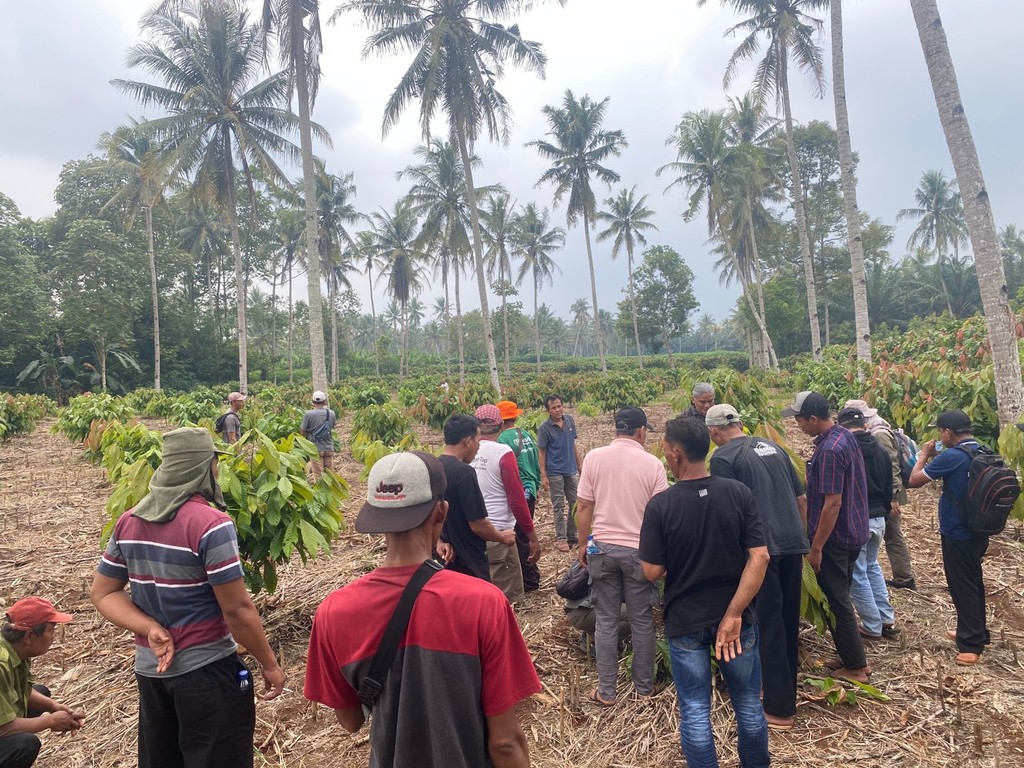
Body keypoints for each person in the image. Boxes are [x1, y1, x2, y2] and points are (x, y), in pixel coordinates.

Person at [304, 450, 541, 768]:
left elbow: (350, 720)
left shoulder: (334, 612)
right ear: (441, 512)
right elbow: (505, 742)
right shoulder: (484, 603)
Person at [90, 427, 286, 768]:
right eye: (214, 463)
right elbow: (237, 610)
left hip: (152, 673)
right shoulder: (211, 524)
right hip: (207, 671)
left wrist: (149, 626)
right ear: (205, 467)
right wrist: (269, 664)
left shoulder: (129, 521)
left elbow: (103, 592)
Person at [640, 416, 770, 768]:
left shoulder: (662, 506)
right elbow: (759, 556)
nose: (666, 455)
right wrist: (734, 613)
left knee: (696, 708)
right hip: (737, 619)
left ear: (677, 454)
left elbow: (651, 570)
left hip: (686, 619)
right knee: (747, 702)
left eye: (666, 449)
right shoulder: (737, 493)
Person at [706, 403, 808, 731]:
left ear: (713, 431)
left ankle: (779, 709)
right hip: (791, 541)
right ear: (740, 423)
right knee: (787, 618)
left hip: (762, 549)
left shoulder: (724, 458)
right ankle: (784, 690)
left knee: (768, 623)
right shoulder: (774, 448)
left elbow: (728, 511)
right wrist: (800, 535)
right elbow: (801, 498)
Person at [576, 407, 668, 706]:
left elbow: (584, 506)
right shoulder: (652, 463)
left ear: (616, 429)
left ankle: (607, 691)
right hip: (639, 552)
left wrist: (582, 545)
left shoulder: (593, 457)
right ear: (641, 431)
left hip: (602, 548)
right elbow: (660, 515)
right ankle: (643, 689)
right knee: (642, 622)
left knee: (606, 620)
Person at [782, 391, 870, 682]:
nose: (797, 425)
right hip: (854, 531)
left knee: (837, 602)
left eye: (799, 420)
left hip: (835, 538)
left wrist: (816, 547)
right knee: (841, 596)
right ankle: (849, 656)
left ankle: (856, 667)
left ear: (814, 419)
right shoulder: (844, 436)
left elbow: (833, 503)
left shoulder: (830, 450)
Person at [908, 410, 988, 665]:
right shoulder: (983, 450)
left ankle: (972, 645)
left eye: (940, 431)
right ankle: (973, 632)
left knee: (962, 585)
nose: (940, 435)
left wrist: (922, 456)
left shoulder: (952, 456)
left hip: (957, 532)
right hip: (979, 529)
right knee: (973, 582)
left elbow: (914, 480)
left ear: (948, 432)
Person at [836, 408, 899, 642]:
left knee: (858, 572)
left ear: (841, 427)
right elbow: (887, 485)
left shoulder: (848, 450)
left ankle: (872, 625)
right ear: (864, 424)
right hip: (879, 518)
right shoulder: (880, 450)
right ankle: (885, 618)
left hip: (859, 519)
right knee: (872, 566)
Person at [0, 598, 83, 768]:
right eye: (51, 629)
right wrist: (50, 721)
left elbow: (21, 691)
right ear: (29, 636)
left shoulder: (17, 650)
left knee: (41, 693)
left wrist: (53, 707)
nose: (54, 636)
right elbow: (3, 728)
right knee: (24, 745)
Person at [471, 404, 542, 604]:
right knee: (506, 600)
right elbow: (517, 500)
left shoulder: (463, 451)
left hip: (474, 530)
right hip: (500, 532)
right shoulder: (503, 451)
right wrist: (532, 537)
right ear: (500, 425)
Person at [844, 399, 917, 591]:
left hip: (887, 494)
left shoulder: (878, 434)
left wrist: (892, 497)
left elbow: (890, 466)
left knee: (893, 535)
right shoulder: (876, 429)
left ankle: (904, 578)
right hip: (884, 494)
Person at [438, 414, 517, 582]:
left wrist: (438, 541)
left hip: (444, 560)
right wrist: (503, 537)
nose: (478, 447)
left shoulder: (434, 467)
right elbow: (478, 525)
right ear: (468, 441)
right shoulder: (464, 473)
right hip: (468, 559)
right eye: (478, 441)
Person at [497, 400, 542, 593]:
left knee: (520, 538)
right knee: (525, 533)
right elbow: (535, 464)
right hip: (530, 489)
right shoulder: (526, 435)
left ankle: (529, 581)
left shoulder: (502, 441)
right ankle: (531, 577)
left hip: (518, 492)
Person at [537, 395, 581, 553]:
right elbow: (541, 452)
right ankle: (561, 538)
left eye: (559, 406)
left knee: (575, 503)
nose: (557, 410)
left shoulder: (569, 421)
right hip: (555, 471)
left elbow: (573, 444)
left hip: (570, 469)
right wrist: (543, 475)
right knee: (558, 505)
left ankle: (572, 535)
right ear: (547, 410)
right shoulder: (544, 428)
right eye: (553, 408)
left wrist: (579, 465)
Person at [301, 390, 337, 483]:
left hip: (315, 449)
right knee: (330, 474)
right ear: (325, 401)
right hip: (329, 448)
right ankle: (332, 492)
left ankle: (321, 494)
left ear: (312, 402)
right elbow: (332, 426)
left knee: (318, 475)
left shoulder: (308, 414)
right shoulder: (331, 413)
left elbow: (303, 431)